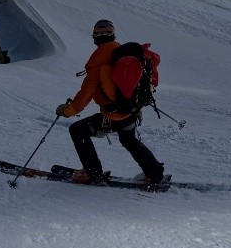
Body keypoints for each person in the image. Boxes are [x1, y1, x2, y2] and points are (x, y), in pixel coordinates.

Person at [57, 18, 166, 185]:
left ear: (95, 37)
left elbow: (85, 95)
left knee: (77, 130)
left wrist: (67, 110)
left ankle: (93, 173)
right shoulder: (122, 52)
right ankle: (155, 173)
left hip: (113, 114)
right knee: (129, 140)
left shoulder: (98, 61)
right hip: (130, 110)